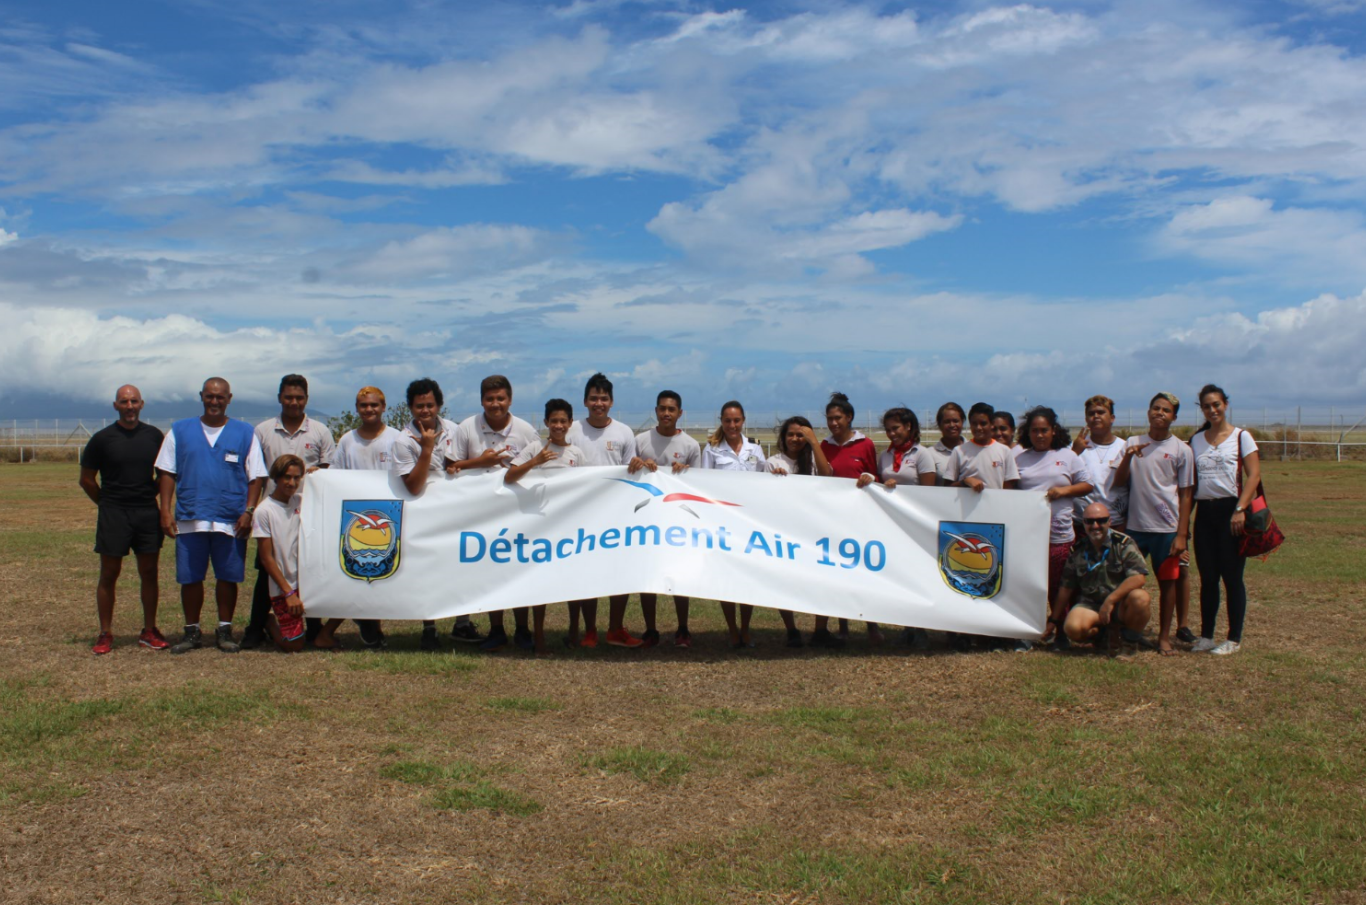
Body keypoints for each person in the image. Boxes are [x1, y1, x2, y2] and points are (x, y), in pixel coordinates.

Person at [156, 377, 267, 654]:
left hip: (230, 519)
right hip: (191, 516)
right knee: (190, 577)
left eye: (220, 397)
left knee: (228, 577)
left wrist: (249, 511)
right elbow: (167, 473)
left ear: (229, 398)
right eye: (209, 396)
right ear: (201, 397)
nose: (214, 401)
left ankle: (225, 630)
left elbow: (256, 477)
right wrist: (165, 511)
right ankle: (192, 631)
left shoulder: (244, 433)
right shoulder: (179, 431)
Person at [242, 374, 336, 650]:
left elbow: (328, 474)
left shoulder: (320, 431)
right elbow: (257, 474)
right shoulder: (263, 431)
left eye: (299, 398)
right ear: (279, 398)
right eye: (288, 397)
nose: (294, 402)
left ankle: (315, 625)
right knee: (266, 571)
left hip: (307, 512)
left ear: (307, 399)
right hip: (274, 511)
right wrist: (252, 509)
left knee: (309, 569)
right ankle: (256, 626)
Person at [79, 384, 168, 654]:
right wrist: (107, 503)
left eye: (134, 401)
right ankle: (105, 633)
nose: (130, 406)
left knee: (149, 573)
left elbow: (164, 475)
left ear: (142, 404)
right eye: (124, 402)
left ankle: (149, 630)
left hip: (146, 513)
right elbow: (86, 480)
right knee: (109, 574)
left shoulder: (154, 436)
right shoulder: (102, 439)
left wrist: (149, 497)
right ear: (115, 406)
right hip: (114, 514)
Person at [565, 372, 644, 648]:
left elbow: (630, 470)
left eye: (604, 398)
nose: (599, 403)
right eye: (593, 398)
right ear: (585, 401)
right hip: (582, 513)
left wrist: (636, 463)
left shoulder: (623, 432)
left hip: (617, 513)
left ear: (611, 402)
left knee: (619, 570)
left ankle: (615, 629)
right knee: (586, 572)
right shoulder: (572, 430)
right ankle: (589, 630)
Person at [1112, 392, 1194, 656]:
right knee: (1127, 582)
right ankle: (1123, 634)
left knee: (1168, 584)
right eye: (1155, 408)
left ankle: (1163, 637)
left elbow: (1185, 494)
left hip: (1167, 530)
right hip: (1136, 528)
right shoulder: (1133, 443)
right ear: (1148, 412)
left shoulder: (1182, 449)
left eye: (1166, 410)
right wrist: (1128, 456)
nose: (1160, 413)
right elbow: (1118, 482)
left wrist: (1181, 534)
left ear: (1174, 417)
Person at [503, 399, 587, 654]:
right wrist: (535, 462)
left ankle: (574, 632)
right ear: (546, 423)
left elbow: (587, 486)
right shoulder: (534, 448)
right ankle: (538, 636)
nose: (558, 426)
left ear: (570, 423)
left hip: (569, 526)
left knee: (573, 581)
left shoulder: (577, 454)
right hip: (539, 526)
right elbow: (510, 476)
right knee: (539, 581)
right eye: (554, 421)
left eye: (563, 421)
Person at [856, 406, 939, 649]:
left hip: (916, 525)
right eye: (888, 429)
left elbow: (928, 494)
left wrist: (900, 490)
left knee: (919, 576)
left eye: (896, 428)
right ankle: (908, 626)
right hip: (893, 525)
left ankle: (921, 628)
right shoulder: (885, 456)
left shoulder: (922, 455)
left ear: (909, 427)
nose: (892, 433)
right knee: (902, 576)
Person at [331, 386, 408, 650]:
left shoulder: (397, 438)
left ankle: (372, 623)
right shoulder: (346, 440)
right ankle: (369, 624)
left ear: (384, 407)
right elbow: (334, 476)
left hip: (391, 513)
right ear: (357, 408)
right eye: (364, 405)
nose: (369, 410)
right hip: (356, 517)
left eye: (374, 405)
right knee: (363, 567)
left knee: (388, 568)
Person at [1189, 384, 1261, 656]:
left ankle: (1233, 638)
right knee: (1208, 578)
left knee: (1232, 577)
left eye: (1216, 404)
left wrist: (1240, 509)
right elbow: (1191, 482)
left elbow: (1253, 475)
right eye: (1207, 406)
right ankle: (1207, 636)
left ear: (1225, 405)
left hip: (1232, 512)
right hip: (1205, 513)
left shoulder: (1242, 437)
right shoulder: (1196, 440)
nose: (1212, 410)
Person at [1014, 406, 1093, 651]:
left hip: (1059, 536)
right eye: (1035, 431)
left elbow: (1087, 485)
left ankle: (1060, 632)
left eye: (1044, 430)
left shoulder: (1068, 456)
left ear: (1053, 430)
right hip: (1028, 537)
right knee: (1029, 586)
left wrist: (1064, 491)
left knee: (1060, 587)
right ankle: (1027, 632)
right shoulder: (1019, 458)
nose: (1039, 435)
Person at [630, 390, 703, 648]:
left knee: (679, 576)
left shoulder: (691, 446)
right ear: (656, 411)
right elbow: (627, 471)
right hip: (646, 520)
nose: (666, 414)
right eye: (662, 409)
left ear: (680, 413)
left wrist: (687, 472)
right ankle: (651, 630)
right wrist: (637, 463)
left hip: (678, 521)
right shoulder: (640, 440)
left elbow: (699, 485)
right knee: (647, 576)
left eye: (672, 409)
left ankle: (683, 628)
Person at [392, 377, 460, 651]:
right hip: (423, 513)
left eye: (430, 405)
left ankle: (462, 622)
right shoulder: (403, 440)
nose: (425, 411)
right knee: (429, 570)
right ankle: (429, 626)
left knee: (459, 563)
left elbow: (464, 466)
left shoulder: (456, 430)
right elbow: (413, 484)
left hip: (456, 510)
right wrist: (427, 449)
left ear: (439, 405)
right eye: (419, 406)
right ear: (410, 407)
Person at [252, 455, 336, 652]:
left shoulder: (300, 501)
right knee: (295, 645)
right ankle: (270, 621)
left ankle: (324, 634)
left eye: (297, 478)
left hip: (310, 579)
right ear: (276, 477)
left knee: (348, 593)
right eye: (287, 477)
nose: (292, 483)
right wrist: (288, 592)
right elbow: (266, 557)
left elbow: (328, 497)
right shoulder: (264, 511)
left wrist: (319, 476)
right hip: (286, 585)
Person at [702, 401, 767, 648]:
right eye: (727, 421)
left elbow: (764, 482)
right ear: (721, 420)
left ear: (743, 420)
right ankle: (731, 629)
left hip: (749, 522)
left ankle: (746, 628)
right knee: (727, 578)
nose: (732, 425)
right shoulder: (712, 450)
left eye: (736, 420)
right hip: (723, 522)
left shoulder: (756, 449)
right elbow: (703, 484)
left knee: (747, 577)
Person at [820, 392, 882, 644]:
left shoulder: (865, 444)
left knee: (864, 571)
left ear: (849, 417)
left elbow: (874, 475)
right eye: (829, 419)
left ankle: (872, 624)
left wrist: (871, 478)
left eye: (838, 418)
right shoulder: (824, 446)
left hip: (861, 518)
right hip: (834, 518)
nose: (834, 423)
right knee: (839, 572)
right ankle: (842, 625)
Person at [1052, 502, 1151, 651]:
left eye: (1101, 520)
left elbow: (1138, 578)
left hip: (1119, 603)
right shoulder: (1078, 550)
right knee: (1073, 628)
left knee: (1141, 598)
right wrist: (1053, 620)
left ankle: (1129, 643)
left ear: (1110, 521)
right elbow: (1066, 587)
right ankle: (1103, 635)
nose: (1095, 525)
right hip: (1091, 605)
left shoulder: (1123, 544)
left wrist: (1111, 600)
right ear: (1083, 523)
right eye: (1089, 521)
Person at [1071, 395, 1129, 532]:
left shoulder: (1125, 447)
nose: (1096, 416)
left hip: (1115, 522)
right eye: (1091, 413)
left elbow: (1134, 488)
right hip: (1082, 523)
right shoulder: (1075, 448)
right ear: (1086, 420)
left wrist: (1126, 522)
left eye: (1101, 412)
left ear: (1112, 418)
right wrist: (1074, 452)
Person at [943, 402, 1020, 492]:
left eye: (983, 423)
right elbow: (947, 488)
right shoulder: (959, 451)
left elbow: (1008, 486)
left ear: (991, 425)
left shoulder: (1004, 451)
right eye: (974, 424)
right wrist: (965, 482)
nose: (978, 428)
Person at [766, 415, 833, 477]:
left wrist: (814, 442)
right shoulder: (773, 462)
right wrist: (776, 476)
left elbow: (826, 475)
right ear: (784, 437)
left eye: (800, 435)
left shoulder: (815, 460)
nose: (794, 439)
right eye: (790, 434)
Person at [927, 402, 966, 483]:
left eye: (956, 421)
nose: (952, 425)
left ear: (962, 422)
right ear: (939, 424)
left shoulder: (974, 449)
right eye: (947, 422)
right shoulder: (930, 454)